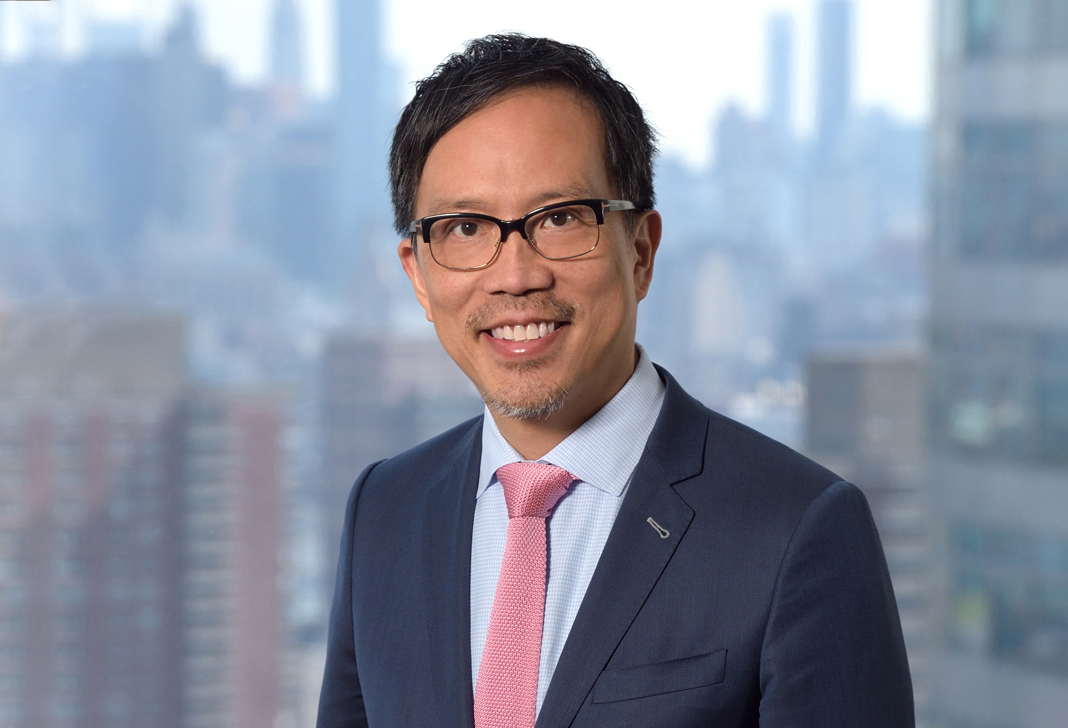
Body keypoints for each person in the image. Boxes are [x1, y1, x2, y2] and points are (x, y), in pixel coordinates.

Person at [317, 34, 913, 728]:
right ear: (418, 275)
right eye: (466, 228)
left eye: (561, 219)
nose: (516, 276)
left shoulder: (798, 530)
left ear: (641, 249)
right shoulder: (384, 509)